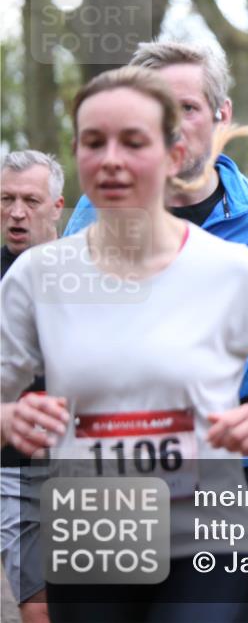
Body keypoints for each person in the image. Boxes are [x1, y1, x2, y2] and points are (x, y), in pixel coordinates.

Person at [0, 66, 248, 622]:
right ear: (77, 155)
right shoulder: (38, 275)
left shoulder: (232, 269)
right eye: (94, 142)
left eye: (133, 141)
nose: (112, 158)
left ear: (169, 152)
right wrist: (9, 419)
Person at [62, 40, 248, 561]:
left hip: (236, 463)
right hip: (114, 460)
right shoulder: (96, 208)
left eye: (187, 108)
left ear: (221, 114)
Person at [0, 150, 65, 623]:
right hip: (14, 469)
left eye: (30, 200)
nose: (17, 212)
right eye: (6, 199)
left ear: (57, 206)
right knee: (37, 604)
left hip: (94, 467)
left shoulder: (94, 271)